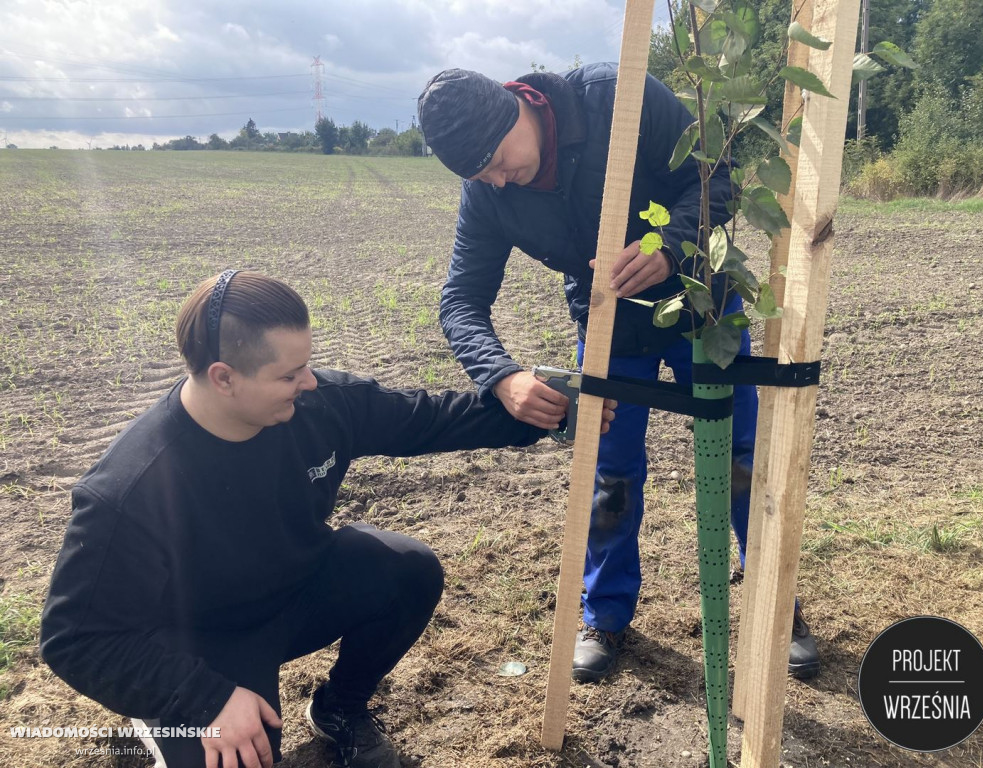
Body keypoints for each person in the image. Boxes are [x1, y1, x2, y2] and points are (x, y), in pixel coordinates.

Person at [39, 270, 615, 768]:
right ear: (223, 377)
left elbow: (428, 419)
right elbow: (74, 640)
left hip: (294, 594)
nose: (309, 383)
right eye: (289, 375)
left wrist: (546, 413)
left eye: (307, 366)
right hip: (199, 642)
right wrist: (201, 697)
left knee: (407, 570)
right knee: (243, 750)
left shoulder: (318, 406)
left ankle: (338, 707)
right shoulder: (130, 487)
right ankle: (161, 721)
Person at [417, 63, 820, 683]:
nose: (499, 180)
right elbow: (460, 300)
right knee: (608, 473)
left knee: (741, 460)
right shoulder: (489, 192)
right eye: (481, 175)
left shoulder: (617, 98)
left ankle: (778, 607)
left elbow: (716, 179)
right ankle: (604, 615)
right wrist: (502, 376)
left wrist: (670, 247)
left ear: (515, 107)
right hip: (606, 329)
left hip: (699, 303)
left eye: (498, 159)